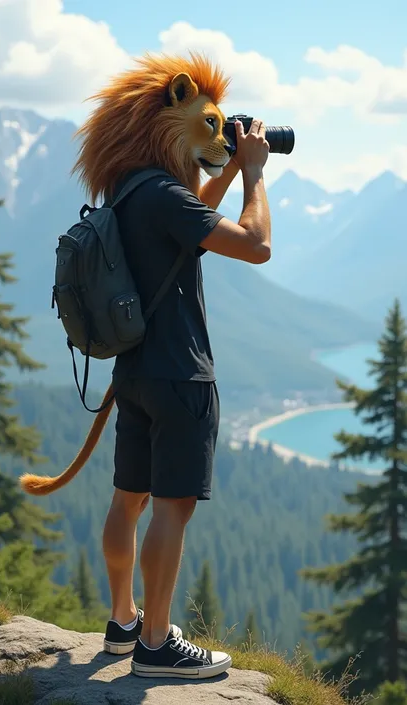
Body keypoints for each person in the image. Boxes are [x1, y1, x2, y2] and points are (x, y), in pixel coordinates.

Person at [102, 118, 271, 679]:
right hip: (180, 375)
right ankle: (155, 643)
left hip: (132, 371)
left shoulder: (129, 188)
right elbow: (255, 245)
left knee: (129, 498)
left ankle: (124, 621)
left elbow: (190, 215)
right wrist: (252, 172)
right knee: (173, 506)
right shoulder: (165, 195)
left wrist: (221, 171)